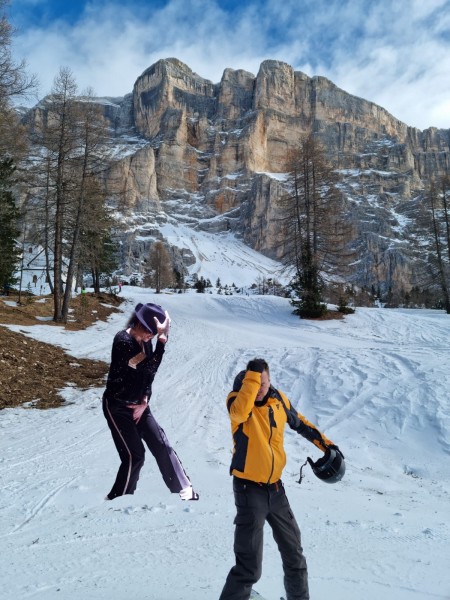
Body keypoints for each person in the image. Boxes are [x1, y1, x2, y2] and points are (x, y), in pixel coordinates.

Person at [219, 358, 344, 600]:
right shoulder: (237, 399)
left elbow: (301, 424)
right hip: (248, 491)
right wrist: (252, 380)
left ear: (270, 380)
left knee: (294, 555)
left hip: (276, 491)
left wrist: (327, 446)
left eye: (263, 383)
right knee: (249, 567)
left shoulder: (278, 400)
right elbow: (239, 413)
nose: (260, 388)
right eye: (255, 383)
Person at [102, 302, 199, 501]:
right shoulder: (123, 341)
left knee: (161, 444)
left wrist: (145, 400)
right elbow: (147, 368)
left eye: (154, 335)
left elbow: (148, 378)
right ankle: (118, 501)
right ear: (137, 322)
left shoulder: (145, 342)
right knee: (134, 455)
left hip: (139, 404)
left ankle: (185, 493)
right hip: (117, 406)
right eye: (149, 331)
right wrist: (162, 343)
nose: (150, 337)